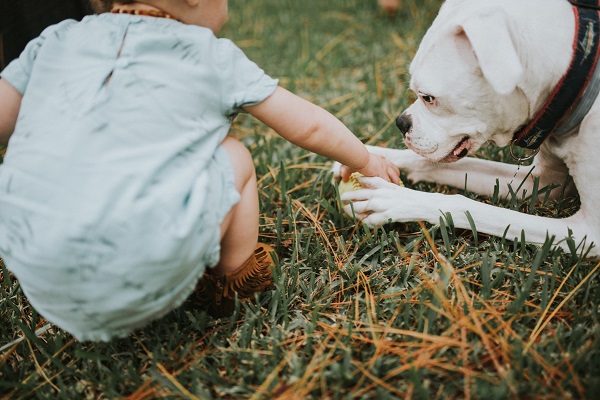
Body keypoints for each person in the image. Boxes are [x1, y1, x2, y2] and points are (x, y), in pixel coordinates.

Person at [0, 0, 400, 342]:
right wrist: (364, 159)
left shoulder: (55, 40)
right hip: (150, 263)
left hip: (38, 272)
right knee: (234, 154)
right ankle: (234, 280)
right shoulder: (208, 54)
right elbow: (308, 124)